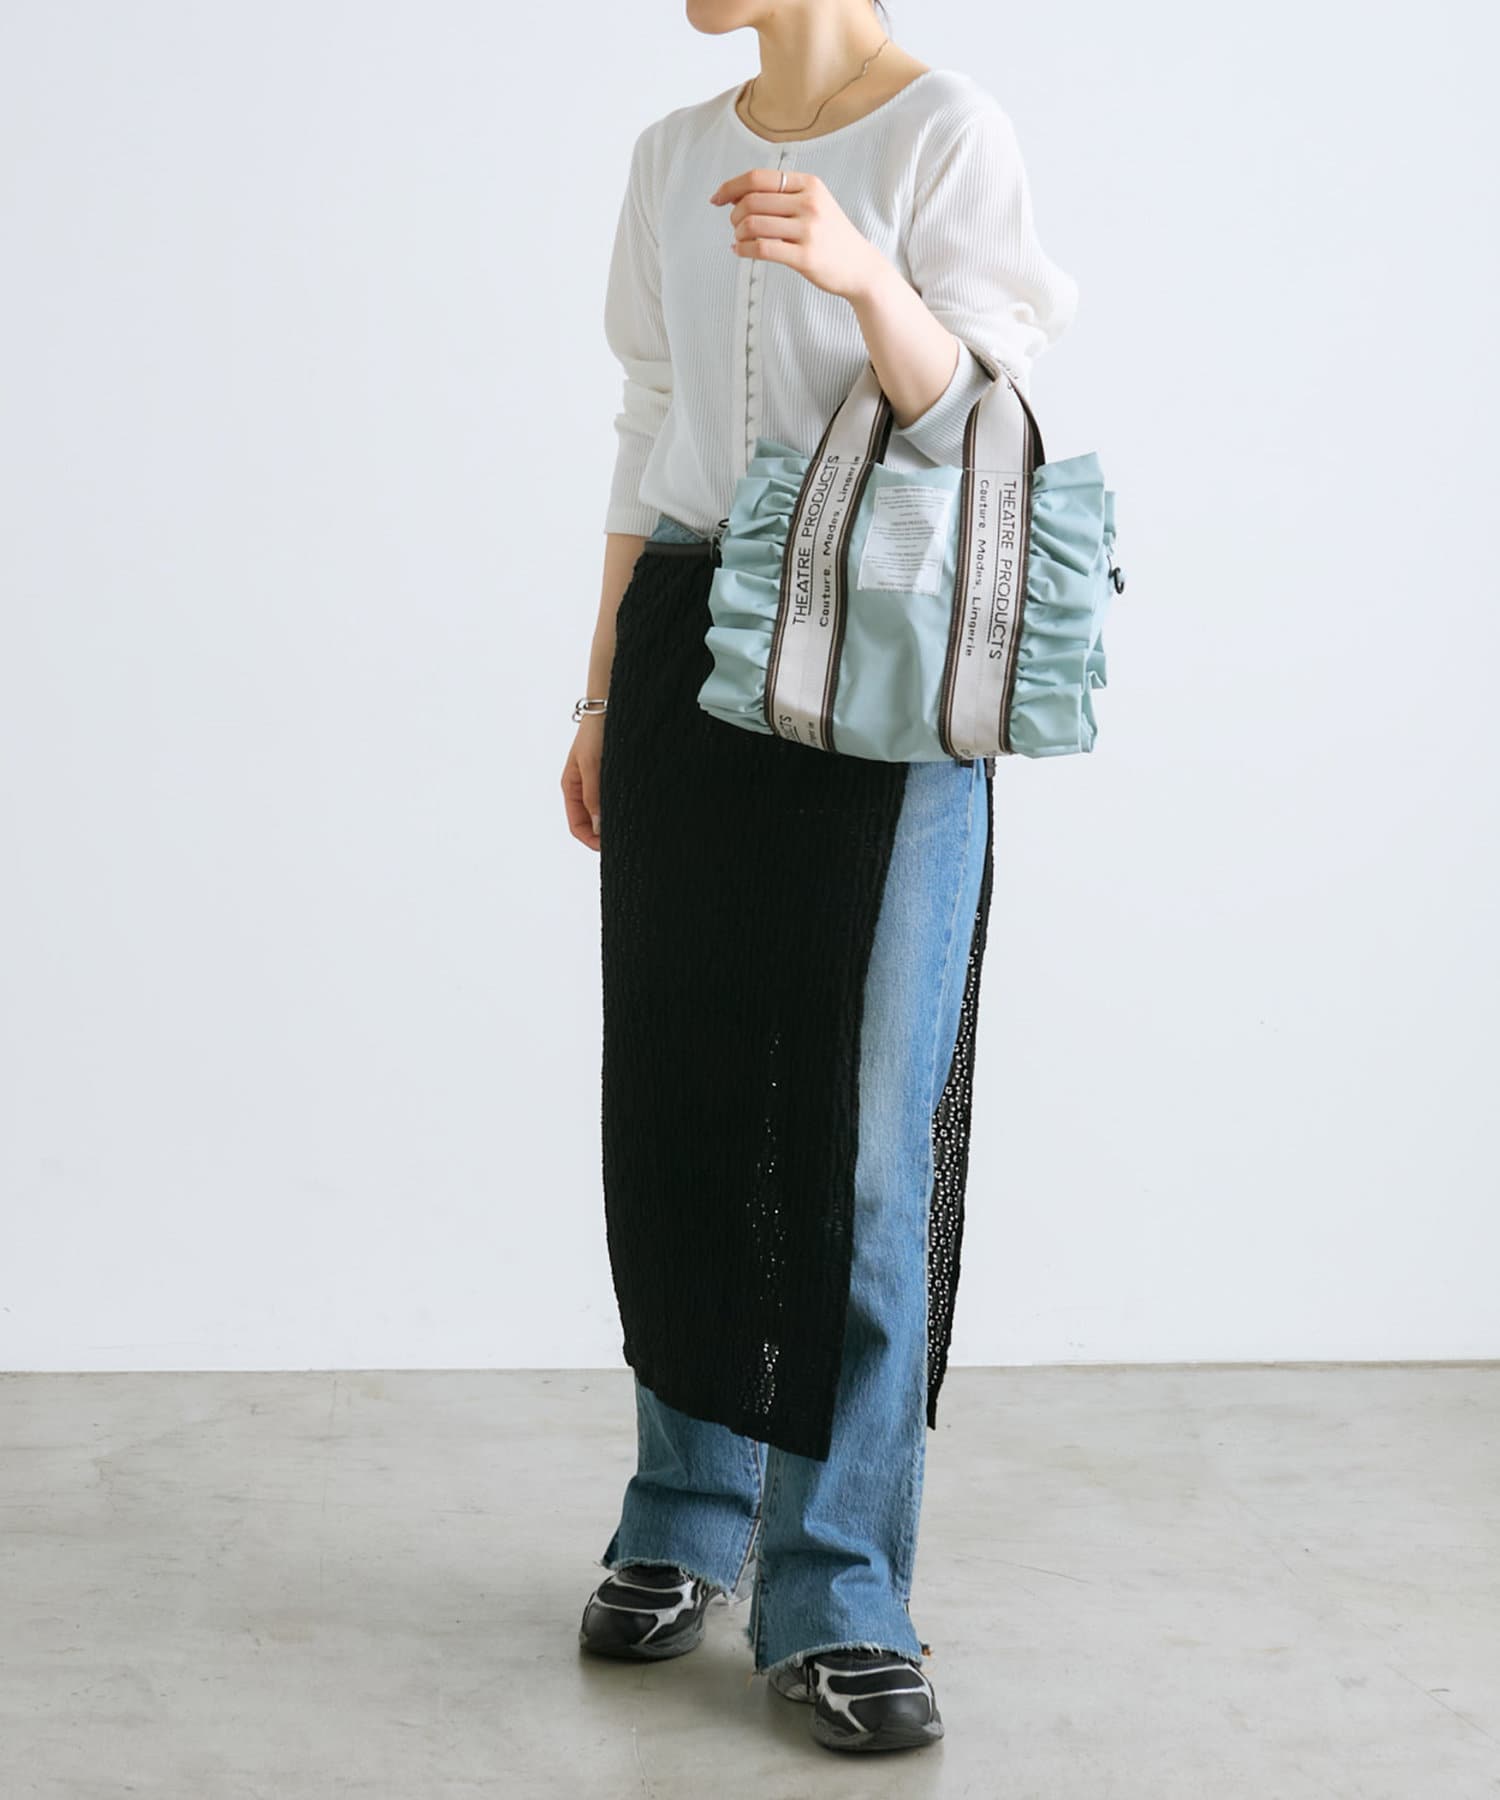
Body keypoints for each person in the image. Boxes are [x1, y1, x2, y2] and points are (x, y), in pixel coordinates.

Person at [559, 0, 1079, 1755]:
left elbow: (981, 419)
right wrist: (593, 693)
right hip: (689, 643)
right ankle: (684, 1512)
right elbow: (650, 419)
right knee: (685, 1106)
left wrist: (863, 273)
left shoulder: (944, 132)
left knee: (865, 1143)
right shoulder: (671, 153)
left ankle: (840, 1583)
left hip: (883, 661)